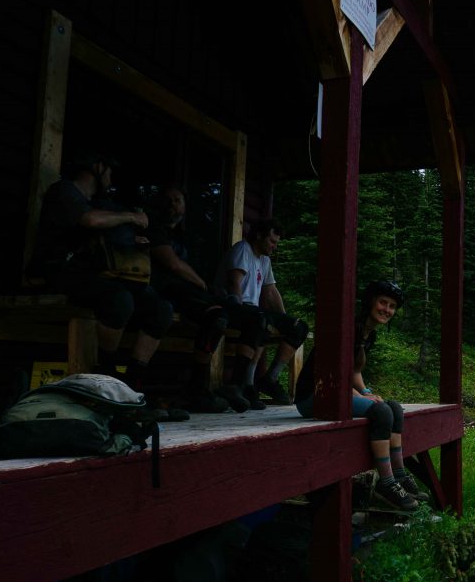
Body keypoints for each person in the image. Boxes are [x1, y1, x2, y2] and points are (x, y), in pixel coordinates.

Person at [29, 152, 173, 392]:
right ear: (97, 166)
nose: (111, 178)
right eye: (110, 171)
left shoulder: (94, 202)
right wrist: (131, 217)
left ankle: (133, 384)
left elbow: (101, 233)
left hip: (94, 276)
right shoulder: (64, 191)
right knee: (119, 299)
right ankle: (107, 371)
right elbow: (90, 221)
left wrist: (131, 238)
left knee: (161, 309)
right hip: (57, 272)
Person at [295, 281, 428, 511]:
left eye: (392, 306)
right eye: (382, 303)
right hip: (314, 396)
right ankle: (386, 483)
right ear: (371, 302)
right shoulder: (350, 328)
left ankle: (398, 475)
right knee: (381, 411)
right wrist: (359, 396)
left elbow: (354, 371)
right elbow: (333, 372)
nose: (386, 309)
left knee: (393, 407)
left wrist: (365, 392)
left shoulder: (368, 334)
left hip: (336, 393)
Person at [146, 185, 270, 413]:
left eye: (178, 200)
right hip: (168, 292)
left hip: (195, 294)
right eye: (169, 200)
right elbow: (172, 264)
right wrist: (201, 283)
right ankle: (197, 390)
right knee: (216, 318)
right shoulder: (154, 230)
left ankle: (237, 386)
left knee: (256, 318)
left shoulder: (185, 236)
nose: (174, 205)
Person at [212, 218, 307, 409]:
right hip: (232, 307)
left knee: (299, 327)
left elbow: (271, 291)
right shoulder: (242, 250)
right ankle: (244, 385)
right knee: (259, 320)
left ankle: (269, 380)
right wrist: (243, 314)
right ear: (258, 236)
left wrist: (285, 320)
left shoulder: (264, 260)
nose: (274, 247)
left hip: (255, 313)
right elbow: (234, 285)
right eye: (272, 241)